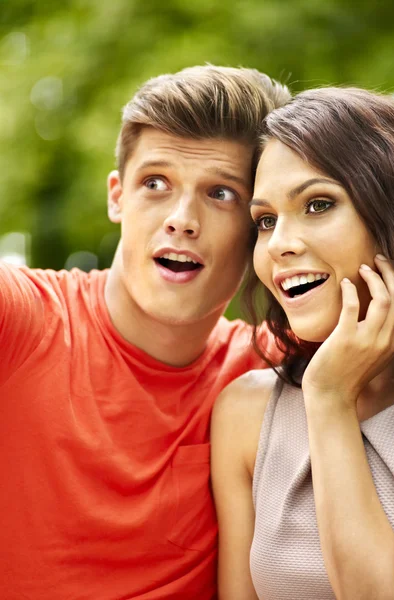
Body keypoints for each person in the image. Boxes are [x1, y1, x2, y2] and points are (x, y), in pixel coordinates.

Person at [0, 65, 291, 600]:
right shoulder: (22, 320)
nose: (181, 218)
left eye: (221, 193)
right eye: (155, 183)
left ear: (261, 224)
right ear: (117, 196)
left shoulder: (270, 368)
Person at [211, 87, 394, 599]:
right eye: (265, 221)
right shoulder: (246, 412)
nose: (279, 244)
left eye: (318, 204)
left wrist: (329, 396)